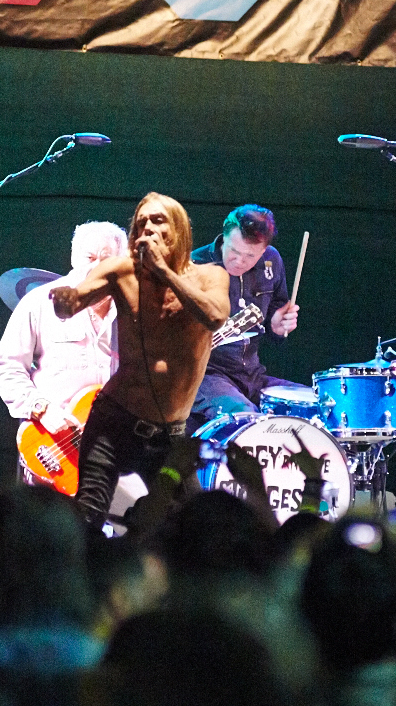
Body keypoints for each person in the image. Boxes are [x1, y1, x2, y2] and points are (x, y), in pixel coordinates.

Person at [52, 195, 231, 526]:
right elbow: (74, 301)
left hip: (170, 432)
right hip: (114, 420)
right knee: (88, 514)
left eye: (158, 220)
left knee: (187, 524)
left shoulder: (210, 277)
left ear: (179, 229)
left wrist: (164, 270)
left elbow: (215, 316)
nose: (148, 226)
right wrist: (65, 302)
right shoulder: (121, 272)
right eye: (141, 222)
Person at [0, 220, 127, 480]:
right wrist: (40, 408)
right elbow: (7, 366)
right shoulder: (40, 302)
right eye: (89, 257)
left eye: (106, 259)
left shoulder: (132, 312)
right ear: (74, 257)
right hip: (53, 446)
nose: (96, 266)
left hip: (111, 449)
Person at [187, 204, 300, 429]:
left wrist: (278, 326)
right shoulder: (194, 266)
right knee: (247, 420)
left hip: (253, 374)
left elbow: (275, 315)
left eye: (250, 256)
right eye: (234, 251)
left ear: (264, 249)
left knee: (315, 406)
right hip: (208, 376)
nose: (239, 261)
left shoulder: (272, 261)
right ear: (224, 236)